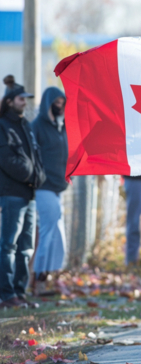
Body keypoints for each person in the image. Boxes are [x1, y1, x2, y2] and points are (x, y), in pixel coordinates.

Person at [0, 85, 45, 308]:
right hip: (11, 194)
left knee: (25, 246)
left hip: (29, 194)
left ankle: (19, 293)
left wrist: (40, 176)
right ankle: (6, 295)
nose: (24, 102)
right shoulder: (3, 126)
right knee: (8, 245)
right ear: (9, 101)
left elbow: (36, 155)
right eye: (20, 98)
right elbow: (7, 160)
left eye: (26, 98)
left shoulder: (25, 125)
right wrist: (30, 174)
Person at [31, 87, 68, 291]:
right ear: (48, 103)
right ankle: (39, 279)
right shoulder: (37, 126)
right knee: (47, 232)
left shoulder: (60, 127)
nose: (60, 106)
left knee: (58, 234)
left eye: (62, 102)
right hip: (43, 187)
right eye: (56, 102)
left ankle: (49, 276)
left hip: (58, 188)